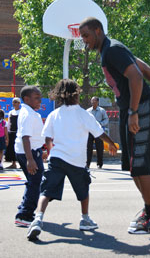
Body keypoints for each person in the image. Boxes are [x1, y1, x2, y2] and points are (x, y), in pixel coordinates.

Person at [79, 17, 150, 234]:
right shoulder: (111, 49)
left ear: (98, 30)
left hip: (139, 107)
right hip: (132, 108)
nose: (84, 41)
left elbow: (136, 76)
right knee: (134, 165)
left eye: (86, 35)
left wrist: (134, 111)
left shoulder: (112, 50)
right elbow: (142, 66)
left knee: (141, 165)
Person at [27, 79, 117, 240]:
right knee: (83, 190)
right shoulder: (83, 114)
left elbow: (48, 138)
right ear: (76, 94)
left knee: (46, 191)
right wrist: (111, 144)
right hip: (77, 160)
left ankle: (38, 219)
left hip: (57, 159)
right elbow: (99, 133)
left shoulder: (54, 114)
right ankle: (85, 219)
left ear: (59, 95)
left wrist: (51, 151)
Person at [15, 86, 44, 227]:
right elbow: (25, 138)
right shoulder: (28, 114)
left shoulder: (29, 112)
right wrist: (30, 159)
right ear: (26, 99)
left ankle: (24, 207)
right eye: (37, 97)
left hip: (30, 151)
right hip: (29, 152)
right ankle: (24, 215)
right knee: (35, 183)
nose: (40, 100)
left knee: (34, 182)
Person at [87, 96, 109, 168]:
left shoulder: (102, 111)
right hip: (90, 131)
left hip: (99, 131)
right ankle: (87, 164)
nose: (93, 102)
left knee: (99, 148)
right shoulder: (88, 111)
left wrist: (100, 123)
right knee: (88, 148)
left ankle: (99, 163)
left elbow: (106, 120)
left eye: (94, 101)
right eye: (92, 101)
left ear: (98, 102)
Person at [5, 97, 21, 169]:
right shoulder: (11, 112)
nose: (14, 103)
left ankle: (21, 164)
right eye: (13, 102)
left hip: (19, 133)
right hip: (11, 132)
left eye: (15, 102)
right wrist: (7, 132)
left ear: (19, 103)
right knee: (12, 148)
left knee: (20, 148)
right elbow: (9, 123)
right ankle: (13, 163)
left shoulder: (21, 112)